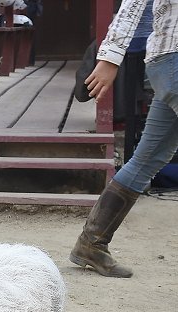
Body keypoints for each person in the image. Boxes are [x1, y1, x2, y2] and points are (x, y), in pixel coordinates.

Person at [69, 0, 178, 278]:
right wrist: (109, 57)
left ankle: (92, 244)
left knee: (146, 160)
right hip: (173, 58)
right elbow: (133, 3)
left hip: (168, 60)